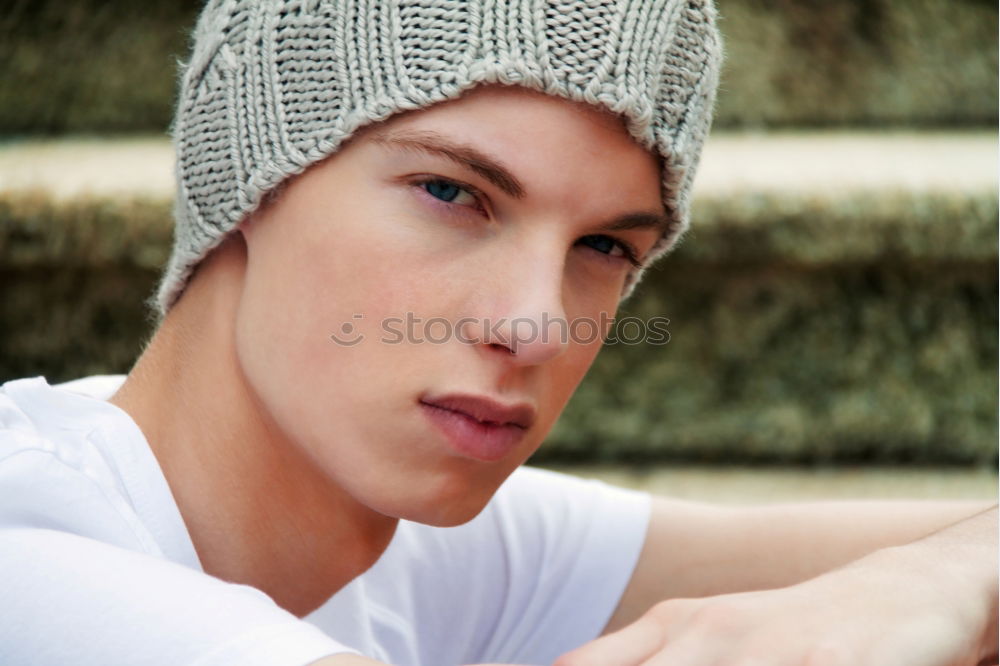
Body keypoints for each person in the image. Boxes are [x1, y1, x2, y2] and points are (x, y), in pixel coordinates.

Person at [1, 1, 996, 665]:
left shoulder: (412, 552)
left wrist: (926, 579)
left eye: (605, 244)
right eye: (452, 193)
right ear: (253, 179)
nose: (533, 323)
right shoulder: (35, 562)